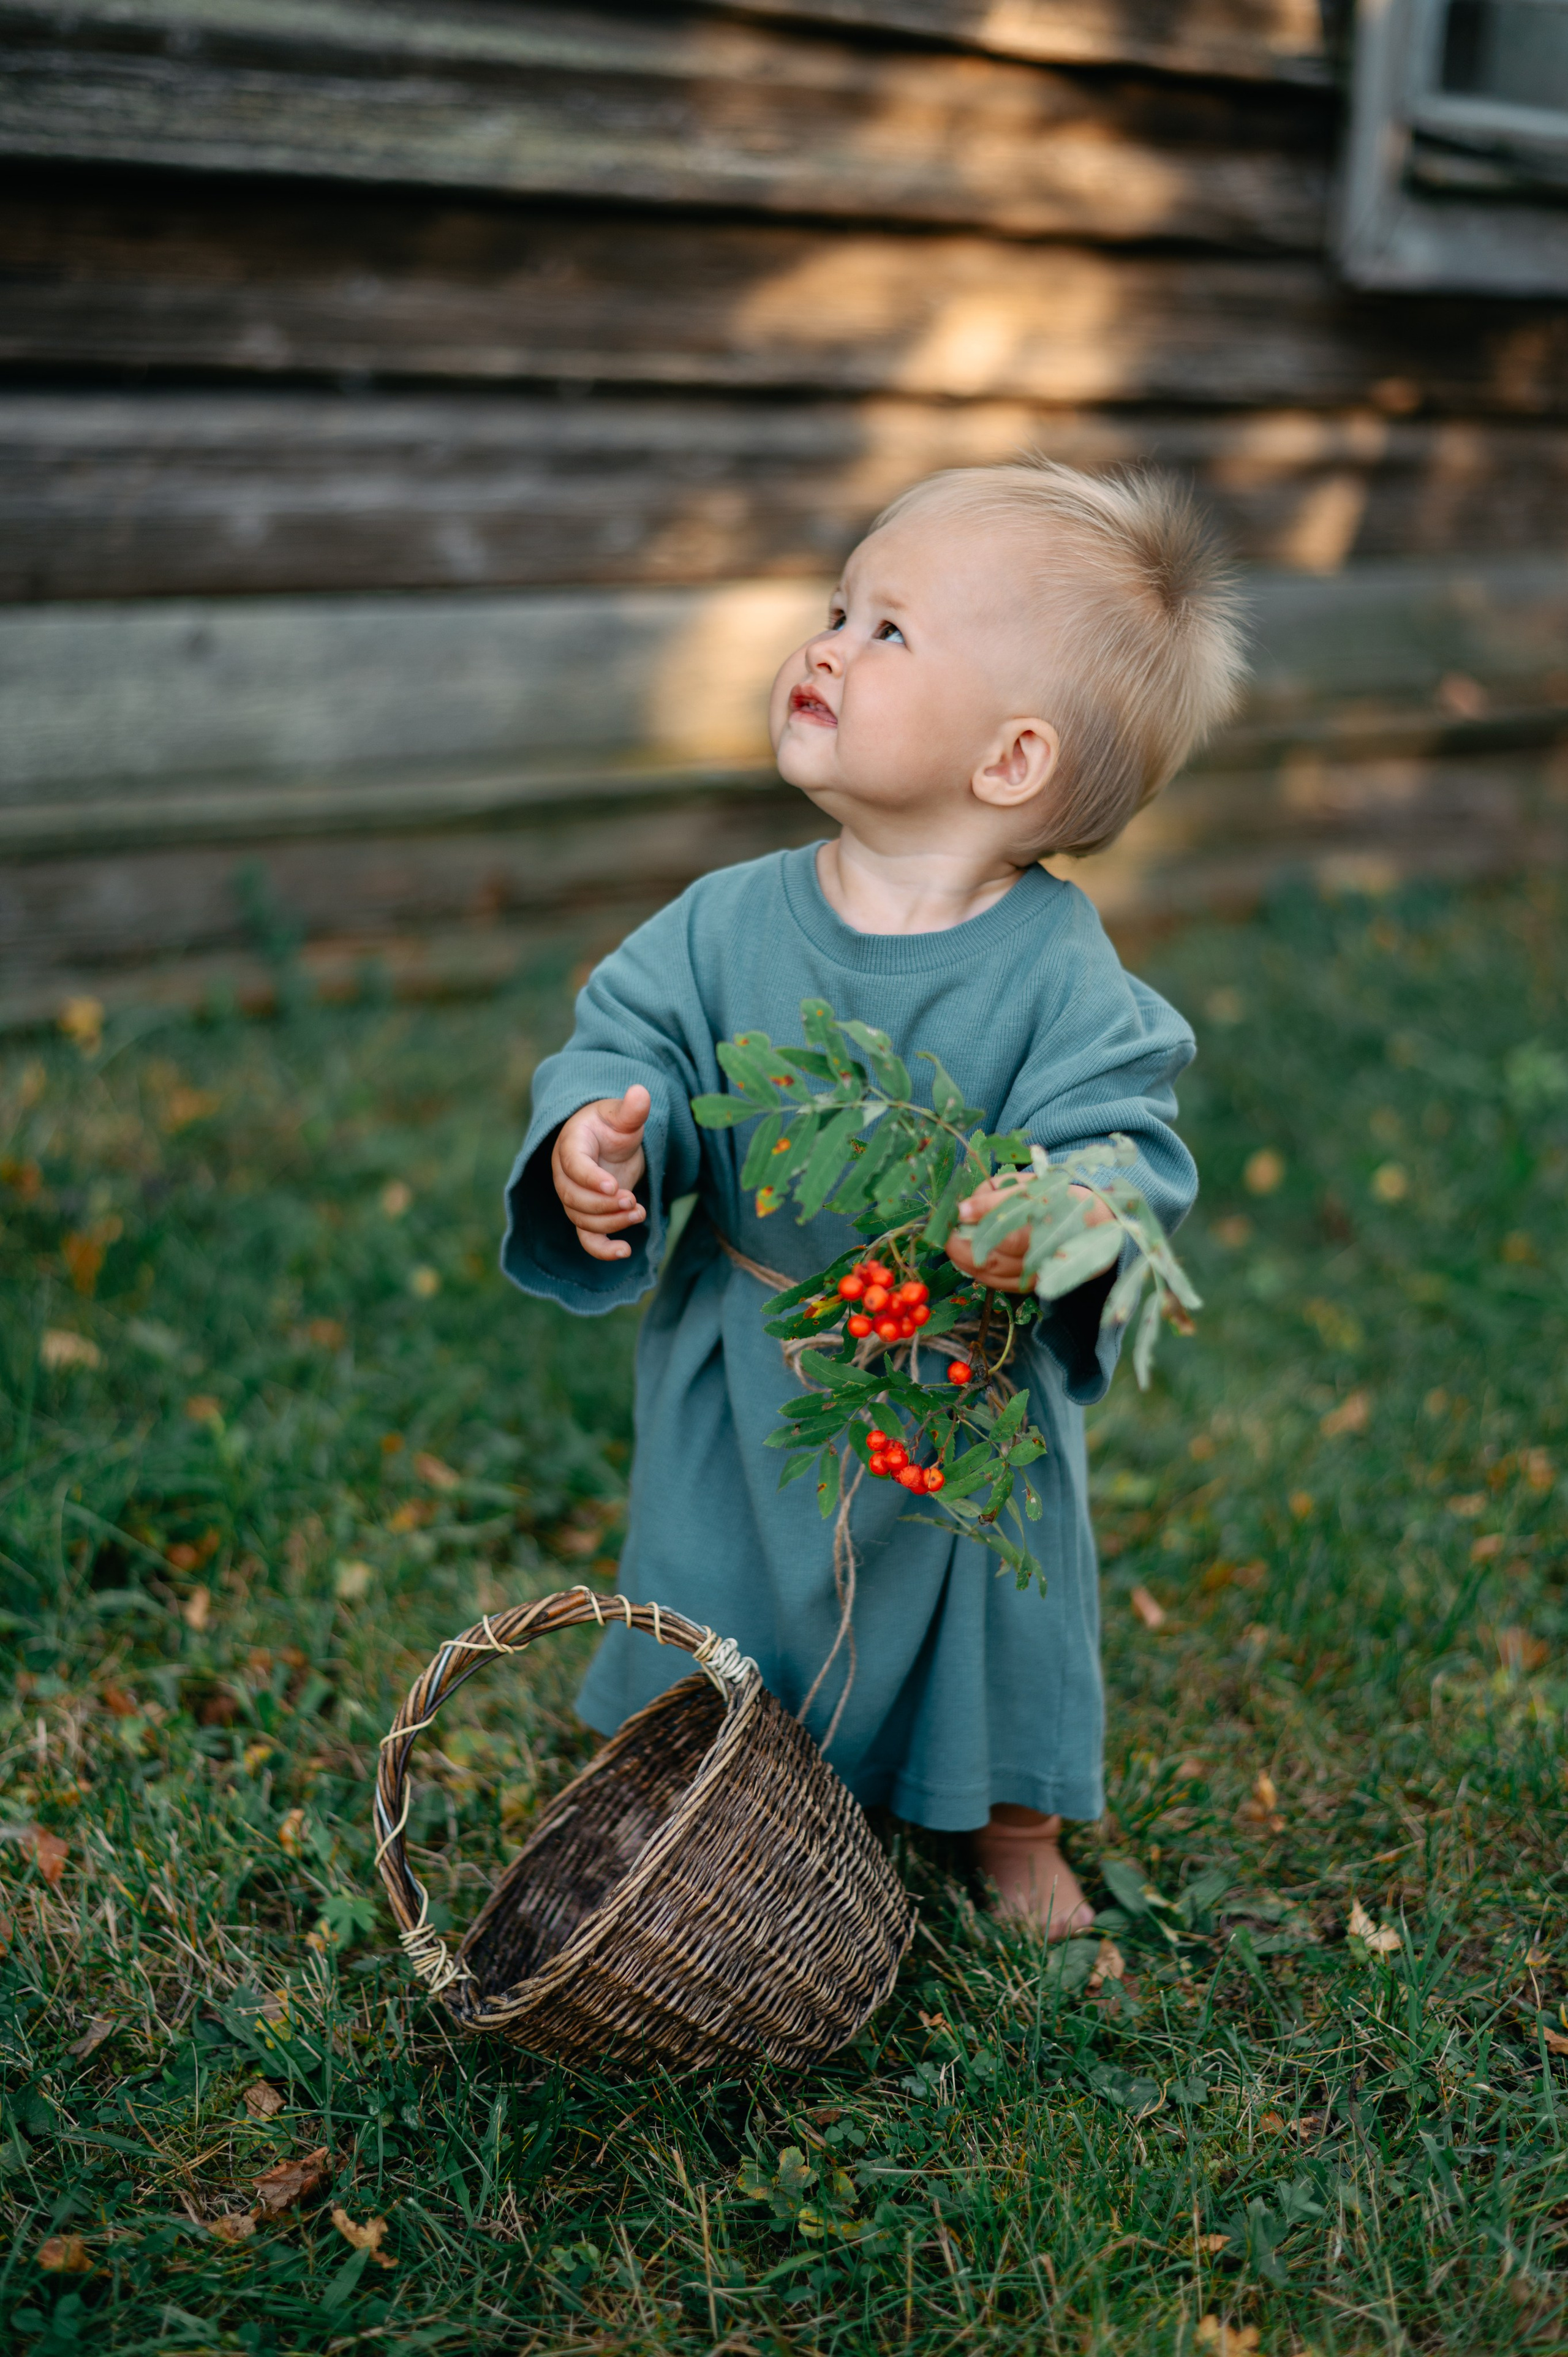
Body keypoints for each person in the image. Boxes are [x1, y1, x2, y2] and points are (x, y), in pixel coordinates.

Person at [502, 458, 1244, 1936]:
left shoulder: (1056, 974)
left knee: (996, 1607)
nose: (825, 643)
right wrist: (600, 1133)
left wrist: (1061, 1212)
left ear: (1011, 761)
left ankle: (1011, 1824)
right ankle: (689, 1787)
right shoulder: (722, 920)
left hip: (949, 1385)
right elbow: (632, 1035)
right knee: (714, 1584)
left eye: (888, 630)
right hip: (750, 1358)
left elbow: (1118, 1139)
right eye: (838, 607)